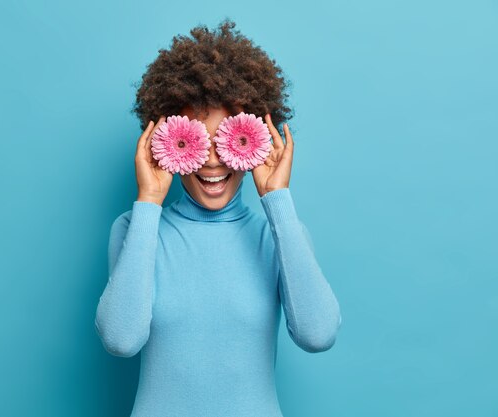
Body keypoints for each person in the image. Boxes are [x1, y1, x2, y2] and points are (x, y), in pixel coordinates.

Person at [95, 18, 342, 417]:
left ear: (259, 141)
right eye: (196, 139)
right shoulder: (133, 228)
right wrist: (150, 199)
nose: (212, 159)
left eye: (228, 139)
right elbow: (121, 339)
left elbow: (318, 334)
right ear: (166, 141)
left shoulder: (280, 234)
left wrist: (276, 199)